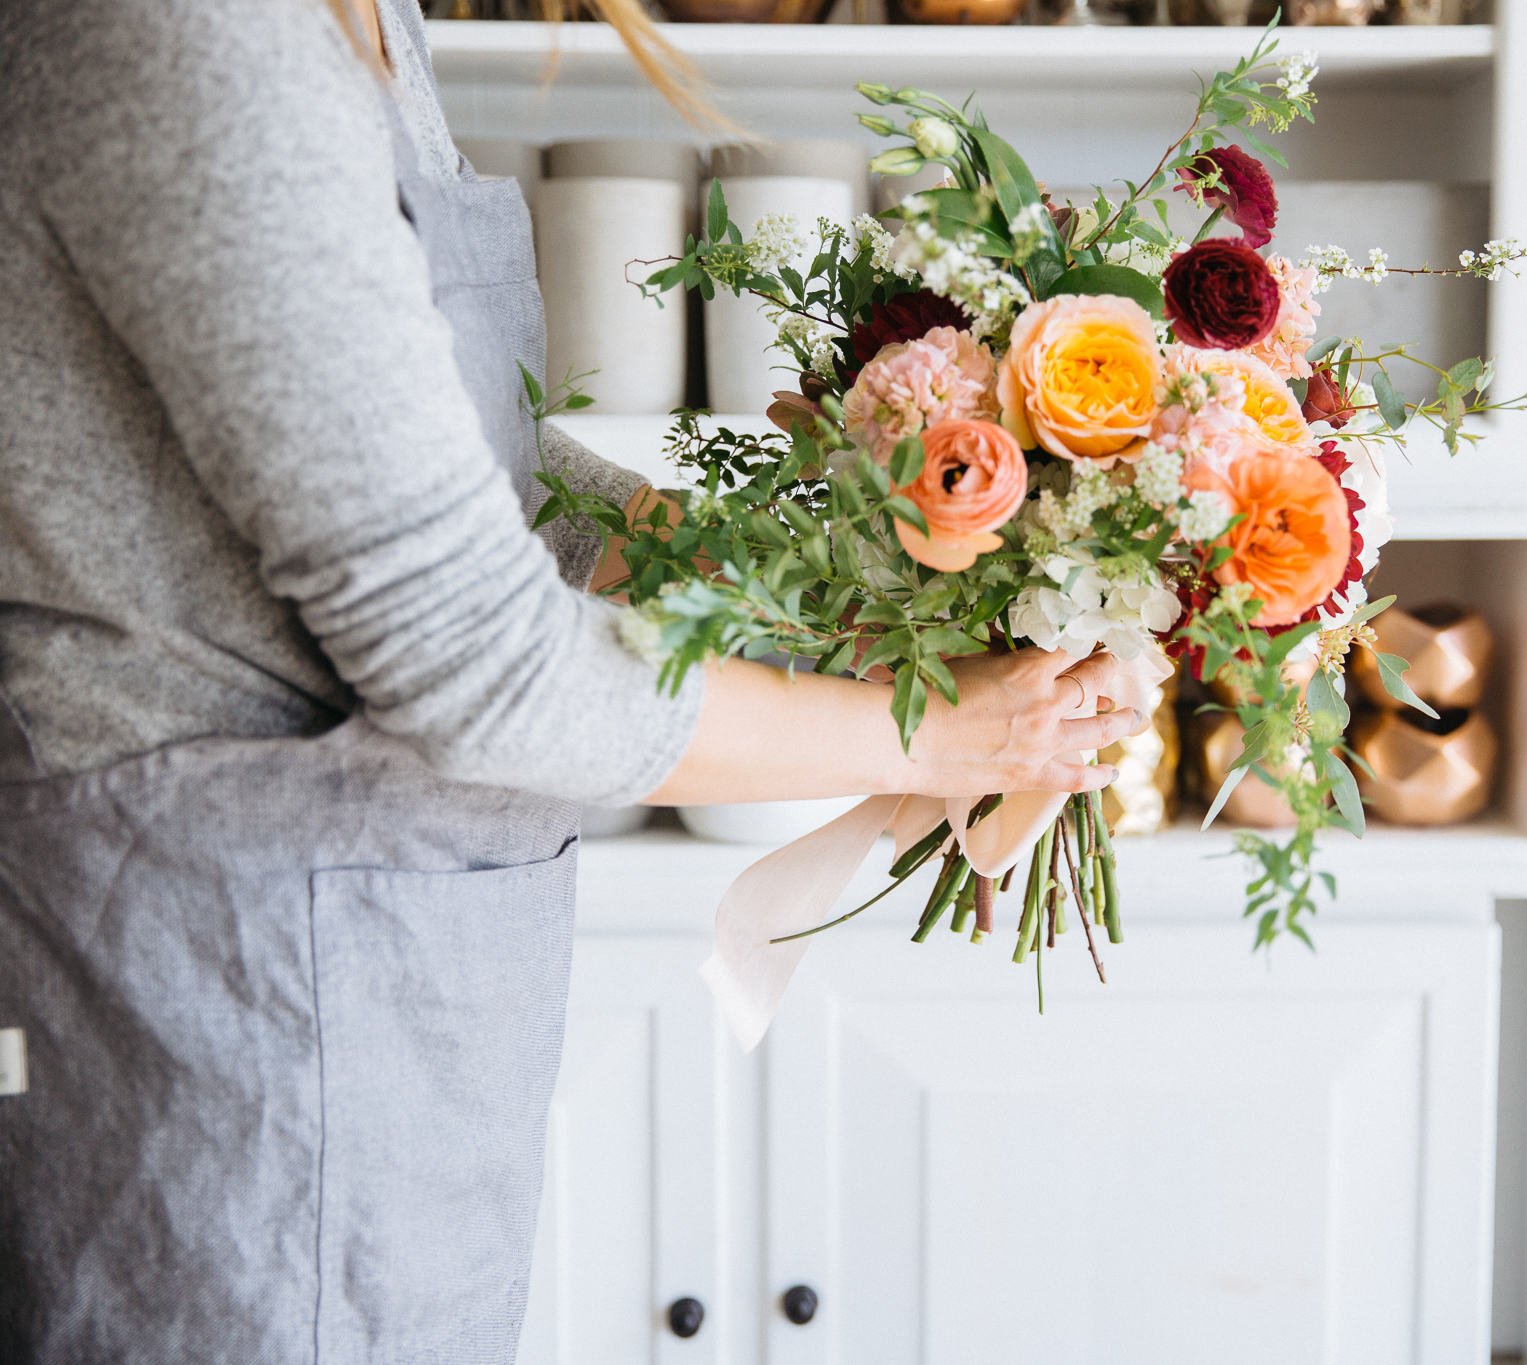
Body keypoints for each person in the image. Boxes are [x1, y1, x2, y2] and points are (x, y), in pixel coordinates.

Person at [0, 0, 1144, 1359]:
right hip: (235, 1004)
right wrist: (937, 733)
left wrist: (825, 584)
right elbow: (478, 660)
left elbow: (458, 461)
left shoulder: (359, 19)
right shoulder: (196, 33)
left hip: (372, 974)